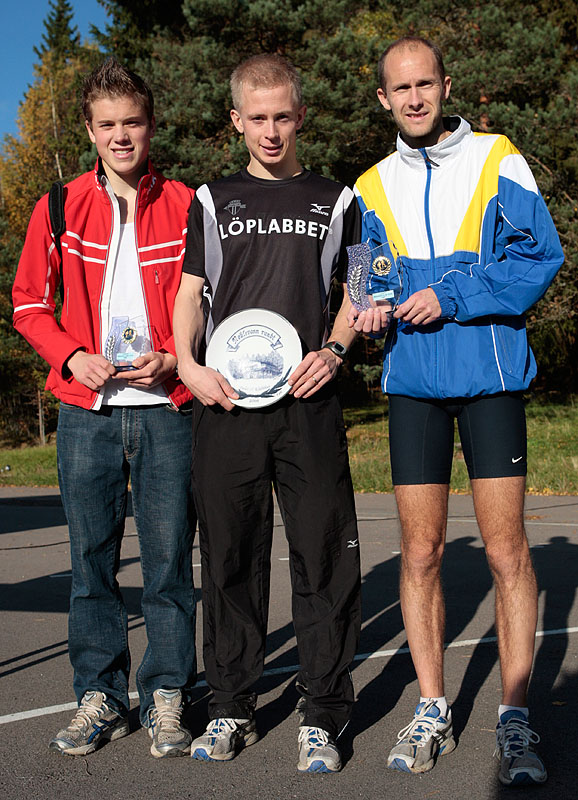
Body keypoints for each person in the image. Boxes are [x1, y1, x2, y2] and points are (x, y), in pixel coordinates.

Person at [350, 37, 563, 786]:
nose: (414, 98)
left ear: (445, 86)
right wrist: (366, 310)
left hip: (491, 377)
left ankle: (515, 714)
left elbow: (539, 257)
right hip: (413, 385)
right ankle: (433, 707)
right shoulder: (369, 186)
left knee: (506, 552)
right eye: (400, 88)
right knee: (420, 554)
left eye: (425, 84)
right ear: (384, 98)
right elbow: (364, 281)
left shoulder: (499, 158)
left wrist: (452, 295)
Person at [173, 54, 361, 774]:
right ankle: (230, 706)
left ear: (300, 115)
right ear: (236, 121)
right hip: (227, 404)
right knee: (229, 558)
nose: (272, 131)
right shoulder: (212, 198)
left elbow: (359, 287)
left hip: (308, 403)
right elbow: (190, 294)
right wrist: (188, 366)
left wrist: (336, 352)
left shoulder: (337, 199)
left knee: (323, 556)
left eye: (283, 116)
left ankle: (324, 715)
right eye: (258, 118)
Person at [12, 58, 197, 759]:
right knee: (90, 562)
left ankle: (168, 693)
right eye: (108, 124)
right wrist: (70, 356)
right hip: (86, 412)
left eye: (133, 122)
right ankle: (100, 694)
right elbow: (28, 304)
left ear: (151, 127)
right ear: (90, 131)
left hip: (167, 408)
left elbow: (210, 301)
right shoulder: (58, 206)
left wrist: (174, 358)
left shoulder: (188, 204)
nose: (122, 136)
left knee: (168, 562)